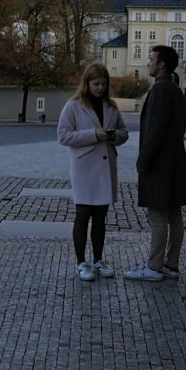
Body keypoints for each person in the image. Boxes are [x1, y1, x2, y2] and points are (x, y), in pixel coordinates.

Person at [124, 45, 186, 283]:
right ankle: (171, 265)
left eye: (151, 59)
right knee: (174, 214)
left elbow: (154, 130)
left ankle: (154, 266)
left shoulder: (161, 90)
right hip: (175, 161)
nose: (148, 62)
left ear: (162, 64)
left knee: (158, 215)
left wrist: (143, 161)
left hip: (160, 164)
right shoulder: (174, 89)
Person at [57, 61, 129, 281]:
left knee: (100, 217)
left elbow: (124, 132)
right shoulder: (73, 106)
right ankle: (80, 262)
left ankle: (98, 260)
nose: (100, 88)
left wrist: (113, 136)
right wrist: (93, 135)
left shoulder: (111, 107)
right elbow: (63, 135)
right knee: (82, 215)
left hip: (105, 167)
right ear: (86, 83)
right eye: (96, 83)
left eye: (103, 84)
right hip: (84, 168)